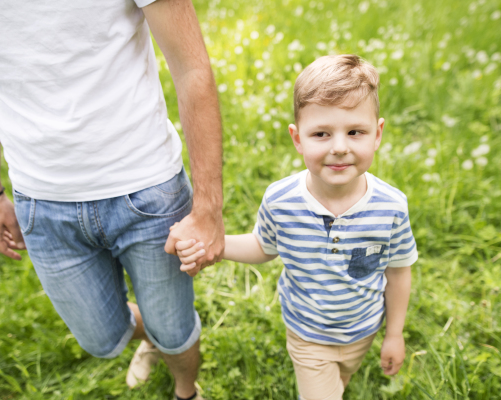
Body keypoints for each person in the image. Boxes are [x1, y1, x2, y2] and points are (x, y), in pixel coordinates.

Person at [0, 0, 224, 399]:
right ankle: (152, 330)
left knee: (174, 330)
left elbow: (192, 68)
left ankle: (186, 391)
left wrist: (208, 208)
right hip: (41, 204)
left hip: (146, 190)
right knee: (101, 338)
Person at [174, 55, 418, 400]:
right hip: (307, 333)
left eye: (355, 132)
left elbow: (398, 271)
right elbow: (262, 247)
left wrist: (394, 333)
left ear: (376, 134)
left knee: (339, 383)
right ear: (297, 138)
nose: (339, 147)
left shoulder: (391, 207)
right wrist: (214, 244)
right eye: (321, 133)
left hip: (363, 330)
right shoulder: (281, 200)